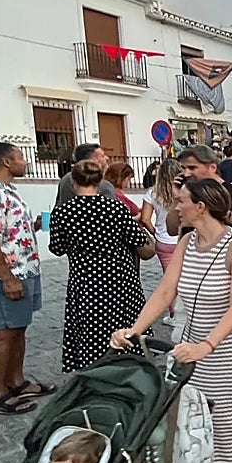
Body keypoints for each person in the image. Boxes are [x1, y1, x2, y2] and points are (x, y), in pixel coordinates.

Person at [113, 179, 232, 463]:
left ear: (201, 207)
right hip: (196, 341)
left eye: (180, 201)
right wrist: (135, 330)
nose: (174, 207)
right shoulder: (186, 241)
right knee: (195, 413)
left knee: (228, 420)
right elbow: (166, 291)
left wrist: (207, 346)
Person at [0, 142, 53, 416]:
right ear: (5, 161)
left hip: (23, 270)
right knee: (5, 332)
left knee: (18, 328)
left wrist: (33, 225)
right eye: (20, 156)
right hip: (2, 276)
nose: (24, 161)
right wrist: (7, 278)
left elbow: (5, 229)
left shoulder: (8, 190)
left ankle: (17, 382)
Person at [49, 160, 155, 373]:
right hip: (120, 277)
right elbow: (136, 239)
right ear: (100, 181)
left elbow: (57, 248)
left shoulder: (62, 212)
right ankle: (130, 366)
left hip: (86, 279)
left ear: (72, 181)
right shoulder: (115, 207)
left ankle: (94, 369)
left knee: (90, 328)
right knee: (126, 321)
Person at [165, 145, 232, 239]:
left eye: (192, 168)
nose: (186, 174)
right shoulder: (187, 193)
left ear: (212, 167)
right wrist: (177, 198)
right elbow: (172, 230)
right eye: (184, 168)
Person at [140, 158, 182, 326]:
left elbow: (145, 218)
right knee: (186, 277)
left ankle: (174, 315)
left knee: (170, 279)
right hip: (182, 238)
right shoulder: (183, 191)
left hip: (164, 241)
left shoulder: (152, 193)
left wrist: (156, 233)